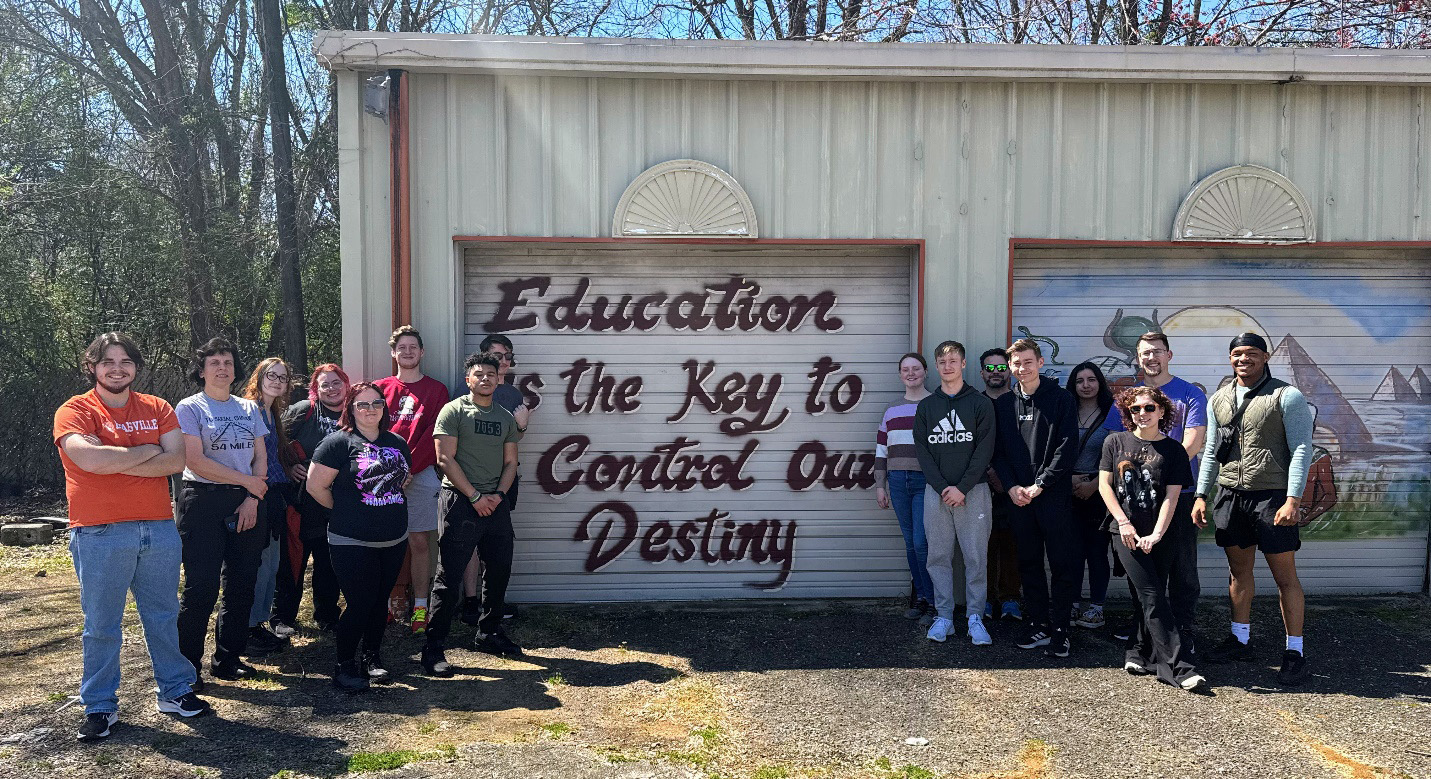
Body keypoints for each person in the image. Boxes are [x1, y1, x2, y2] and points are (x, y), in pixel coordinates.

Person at [54, 333, 212, 741]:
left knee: (162, 616)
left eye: (125, 360)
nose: (117, 367)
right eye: (108, 361)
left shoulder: (157, 407)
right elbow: (86, 458)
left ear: (136, 367)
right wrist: (146, 449)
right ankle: (101, 706)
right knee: (102, 624)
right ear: (92, 366)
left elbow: (175, 460)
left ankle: (176, 691)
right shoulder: (75, 410)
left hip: (158, 528)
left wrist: (113, 457)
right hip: (99, 531)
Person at [1193, 333, 1314, 686]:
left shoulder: (1286, 395)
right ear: (1229, 358)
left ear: (1265, 356)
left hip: (1273, 497)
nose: (1242, 359)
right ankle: (1240, 639)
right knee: (1238, 573)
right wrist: (1201, 494)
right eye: (1236, 354)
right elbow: (1212, 450)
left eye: (1250, 353)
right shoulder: (1219, 398)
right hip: (1231, 494)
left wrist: (1293, 498)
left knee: (1285, 577)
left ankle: (1294, 651)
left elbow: (1302, 449)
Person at [1100, 332, 1208, 655]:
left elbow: (1193, 442)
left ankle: (1184, 631)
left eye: (1157, 352)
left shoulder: (1190, 395)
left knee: (1182, 568)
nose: (1151, 358)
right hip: (1135, 499)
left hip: (1180, 494)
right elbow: (1114, 443)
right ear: (1138, 358)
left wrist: (1164, 479)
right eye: (1145, 353)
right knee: (1144, 569)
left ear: (1169, 355)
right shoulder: (1130, 396)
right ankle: (1144, 634)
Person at [175, 337, 270, 686]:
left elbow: (261, 456)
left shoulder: (248, 409)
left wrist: (252, 496)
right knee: (201, 588)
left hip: (247, 501)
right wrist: (248, 483)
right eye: (213, 362)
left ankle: (228, 658)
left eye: (227, 362)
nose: (222, 368)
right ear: (201, 371)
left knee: (242, 583)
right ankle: (187, 669)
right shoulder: (189, 407)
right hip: (202, 501)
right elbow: (196, 462)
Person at [306, 383, 413, 692]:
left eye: (376, 403)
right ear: (351, 409)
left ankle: (372, 657)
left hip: (393, 538)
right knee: (360, 602)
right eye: (362, 405)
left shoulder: (397, 441)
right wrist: (344, 511)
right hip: (351, 540)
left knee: (380, 602)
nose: (370, 409)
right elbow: (316, 487)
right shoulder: (337, 443)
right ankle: (344, 665)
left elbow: (402, 479)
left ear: (384, 407)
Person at [422, 352, 522, 676]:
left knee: (499, 570)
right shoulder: (453, 411)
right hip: (461, 501)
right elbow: (444, 460)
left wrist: (498, 497)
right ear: (469, 380)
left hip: (496, 503)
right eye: (479, 374)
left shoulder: (505, 418)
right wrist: (476, 496)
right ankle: (433, 649)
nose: (485, 379)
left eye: (491, 374)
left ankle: (488, 632)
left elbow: (510, 463)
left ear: (498, 379)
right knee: (448, 577)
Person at [992, 338, 1079, 658]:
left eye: (1028, 362)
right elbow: (998, 453)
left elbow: (1067, 447)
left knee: (1061, 565)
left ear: (1040, 363)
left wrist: (1041, 484)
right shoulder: (1003, 404)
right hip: (1019, 499)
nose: (1021, 368)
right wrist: (1012, 486)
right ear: (1010, 367)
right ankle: (1039, 623)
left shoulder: (1061, 399)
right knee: (1028, 563)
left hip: (1052, 497)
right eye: (1016, 363)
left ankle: (1061, 629)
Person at [913, 341, 997, 645]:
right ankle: (944, 617)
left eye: (953, 361)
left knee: (976, 558)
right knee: (938, 557)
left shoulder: (979, 403)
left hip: (973, 492)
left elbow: (984, 449)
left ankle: (975, 617)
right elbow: (922, 450)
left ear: (963, 365)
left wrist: (962, 488)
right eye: (942, 362)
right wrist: (941, 487)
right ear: (936, 366)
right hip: (935, 494)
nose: (947, 366)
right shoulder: (927, 406)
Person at [374, 326, 449, 635]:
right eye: (401, 347)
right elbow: (370, 432)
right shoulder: (379, 388)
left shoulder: (437, 390)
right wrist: (389, 471)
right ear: (393, 353)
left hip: (421, 473)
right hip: (381, 477)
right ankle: (386, 605)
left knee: (419, 541)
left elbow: (434, 435)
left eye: (412, 347)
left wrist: (407, 469)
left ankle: (420, 606)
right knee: (381, 543)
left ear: (422, 352)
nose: (407, 352)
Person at [274, 364, 349, 634]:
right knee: (293, 559)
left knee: (329, 560)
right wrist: (287, 467)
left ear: (345, 384)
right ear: (315, 389)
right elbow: (275, 442)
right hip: (300, 500)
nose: (331, 389)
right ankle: (282, 616)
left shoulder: (354, 413)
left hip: (336, 499)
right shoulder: (303, 411)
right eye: (324, 384)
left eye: (336, 382)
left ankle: (327, 615)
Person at [460, 334, 530, 626]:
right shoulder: (466, 392)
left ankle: (492, 604)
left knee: (496, 544)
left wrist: (523, 426)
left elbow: (512, 440)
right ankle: (470, 603)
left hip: (504, 479)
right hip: (473, 481)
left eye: (507, 356)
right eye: (497, 355)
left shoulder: (513, 395)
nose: (503, 361)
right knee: (470, 543)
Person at [241, 357, 296, 654]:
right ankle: (246, 628)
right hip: (254, 494)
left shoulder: (272, 411)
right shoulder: (249, 409)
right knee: (257, 564)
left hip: (274, 493)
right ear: (258, 377)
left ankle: (258, 624)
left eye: (283, 377)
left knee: (271, 563)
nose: (276, 380)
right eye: (270, 375)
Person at [874, 352, 934, 621]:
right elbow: (881, 450)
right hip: (898, 481)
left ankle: (934, 602)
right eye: (905, 369)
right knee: (910, 544)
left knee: (922, 543)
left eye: (916, 368)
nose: (911, 373)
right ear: (900, 375)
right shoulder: (892, 409)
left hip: (926, 482)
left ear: (925, 372)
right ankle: (921, 597)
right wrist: (880, 484)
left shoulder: (936, 405)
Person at [1066, 362, 1115, 630]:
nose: (1086, 385)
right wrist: (1069, 480)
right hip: (1068, 489)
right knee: (1071, 552)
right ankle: (1072, 604)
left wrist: (1095, 484)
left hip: (1100, 491)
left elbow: (1121, 454)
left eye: (1091, 380)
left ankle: (1097, 608)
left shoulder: (1112, 413)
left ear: (1100, 383)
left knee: (1097, 552)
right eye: (1080, 381)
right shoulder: (1066, 411)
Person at [979, 348, 1022, 622]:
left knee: (1013, 545)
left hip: (1016, 485)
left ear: (1009, 370)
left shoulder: (1021, 402)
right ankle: (984, 599)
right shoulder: (975, 402)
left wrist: (1008, 480)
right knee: (983, 545)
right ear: (982, 372)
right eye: (990, 368)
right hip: (981, 484)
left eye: (1001, 367)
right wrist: (988, 472)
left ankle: (1011, 600)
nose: (996, 373)